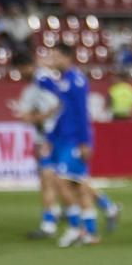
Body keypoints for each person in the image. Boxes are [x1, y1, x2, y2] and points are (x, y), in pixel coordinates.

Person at [37, 44, 120, 247]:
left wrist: (85, 143)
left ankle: (76, 228)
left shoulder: (77, 80)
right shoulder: (64, 81)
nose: (52, 60)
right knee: (77, 186)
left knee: (64, 183)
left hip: (75, 140)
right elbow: (53, 98)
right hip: (63, 140)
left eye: (55, 56)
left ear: (66, 58)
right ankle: (91, 229)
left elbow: (83, 115)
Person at [11, 52, 66, 240]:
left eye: (20, 70)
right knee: (61, 179)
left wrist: (37, 118)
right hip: (48, 136)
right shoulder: (37, 83)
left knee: (48, 180)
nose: (19, 74)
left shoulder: (43, 80)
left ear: (27, 66)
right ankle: (104, 206)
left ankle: (49, 224)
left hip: (49, 137)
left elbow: (58, 105)